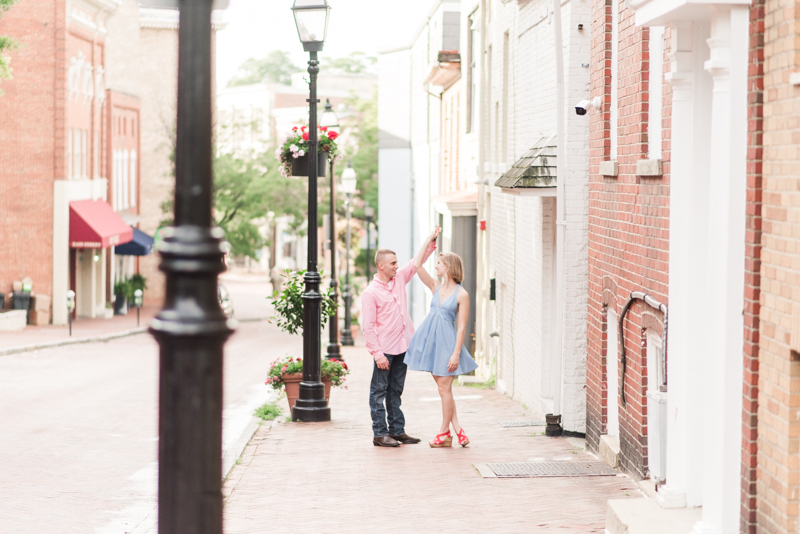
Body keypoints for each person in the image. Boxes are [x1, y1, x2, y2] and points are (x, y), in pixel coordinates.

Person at [361, 228, 440, 447]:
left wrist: (430, 241)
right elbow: (367, 327)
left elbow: (417, 261)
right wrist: (377, 354)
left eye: (397, 263)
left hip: (403, 346)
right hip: (384, 351)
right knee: (378, 393)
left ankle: (397, 431)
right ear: (381, 266)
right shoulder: (370, 293)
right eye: (393, 263)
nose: (397, 266)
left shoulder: (399, 280)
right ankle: (380, 434)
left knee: (395, 390)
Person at [404, 251, 478, 448]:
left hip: (447, 345)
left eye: (439, 263)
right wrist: (430, 239)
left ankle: (444, 432)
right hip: (431, 343)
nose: (436, 267)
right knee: (444, 390)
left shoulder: (462, 294)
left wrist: (456, 353)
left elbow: (461, 326)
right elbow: (418, 265)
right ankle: (457, 429)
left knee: (444, 388)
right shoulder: (436, 287)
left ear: (449, 267)